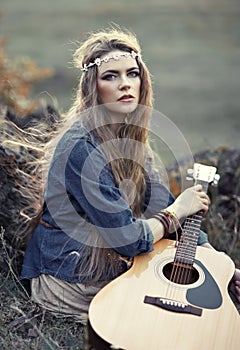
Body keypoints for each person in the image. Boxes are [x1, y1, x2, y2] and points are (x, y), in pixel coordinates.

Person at [20, 27, 240, 346]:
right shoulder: (80, 148)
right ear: (93, 87)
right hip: (67, 275)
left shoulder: (130, 137)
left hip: (110, 260)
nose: (125, 84)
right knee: (171, 323)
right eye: (111, 76)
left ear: (142, 81)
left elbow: (159, 201)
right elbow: (129, 240)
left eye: (132, 73)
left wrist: (221, 266)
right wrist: (179, 210)